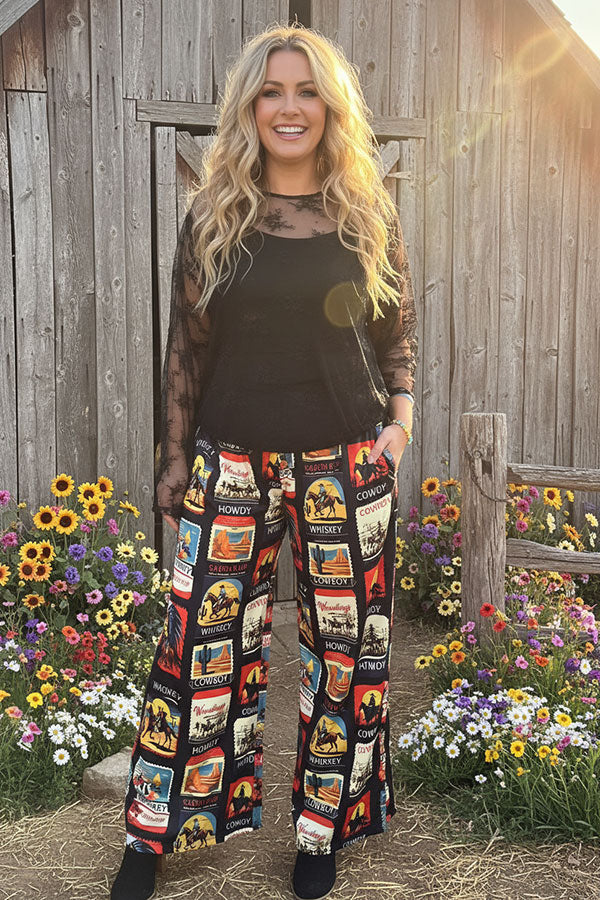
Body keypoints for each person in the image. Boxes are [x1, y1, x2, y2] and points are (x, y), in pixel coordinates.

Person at [110, 20, 418, 900]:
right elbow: (186, 349)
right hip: (231, 460)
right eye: (272, 91)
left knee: (345, 653)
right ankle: (155, 832)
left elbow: (397, 331)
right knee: (196, 649)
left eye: (307, 90)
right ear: (249, 107)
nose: (290, 107)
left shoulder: (366, 214)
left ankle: (323, 830)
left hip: (346, 461)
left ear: (331, 107)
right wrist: (176, 466)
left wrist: (398, 424)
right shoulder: (215, 216)